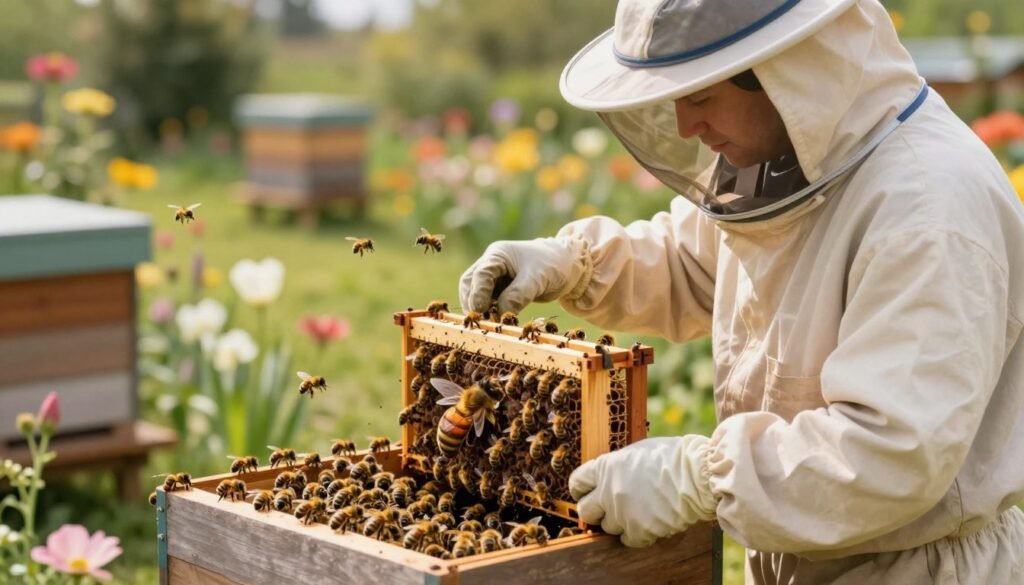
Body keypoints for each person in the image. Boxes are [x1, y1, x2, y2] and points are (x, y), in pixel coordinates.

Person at [458, 0, 1024, 583]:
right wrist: (572, 264)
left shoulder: (927, 211)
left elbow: (891, 453)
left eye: (700, 96)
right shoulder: (794, 157)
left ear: (786, 69)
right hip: (803, 557)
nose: (685, 125)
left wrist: (701, 478)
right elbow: (694, 261)